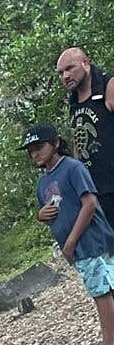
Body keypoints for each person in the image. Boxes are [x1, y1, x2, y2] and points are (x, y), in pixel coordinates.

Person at [23, 123, 114, 345]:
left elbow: (89, 204)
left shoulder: (73, 168)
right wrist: (40, 216)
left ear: (55, 143)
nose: (35, 153)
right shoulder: (43, 182)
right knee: (106, 288)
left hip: (90, 241)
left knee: (101, 292)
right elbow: (53, 209)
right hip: (77, 249)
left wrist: (72, 241)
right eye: (30, 150)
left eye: (39, 146)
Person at [56, 48, 114, 225]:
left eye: (70, 68)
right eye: (60, 73)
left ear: (85, 63)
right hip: (95, 190)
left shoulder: (108, 86)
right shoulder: (73, 102)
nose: (65, 76)